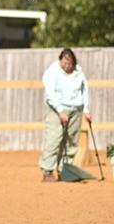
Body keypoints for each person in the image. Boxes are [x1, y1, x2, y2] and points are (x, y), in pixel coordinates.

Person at [38, 48, 92, 182]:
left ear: (73, 62)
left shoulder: (78, 71)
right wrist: (60, 111)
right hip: (56, 109)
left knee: (71, 142)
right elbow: (50, 93)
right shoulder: (53, 71)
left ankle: (64, 170)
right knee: (54, 139)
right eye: (64, 63)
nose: (66, 66)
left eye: (69, 63)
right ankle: (47, 170)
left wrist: (86, 110)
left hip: (75, 109)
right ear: (60, 61)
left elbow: (84, 90)